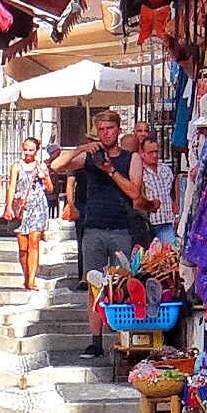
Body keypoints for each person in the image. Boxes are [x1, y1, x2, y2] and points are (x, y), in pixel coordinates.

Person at [51, 107, 141, 350]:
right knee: (94, 285)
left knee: (124, 285)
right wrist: (81, 148)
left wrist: (110, 171)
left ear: (118, 130)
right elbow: (56, 166)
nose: (105, 134)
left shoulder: (131, 158)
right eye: (101, 130)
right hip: (93, 228)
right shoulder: (90, 157)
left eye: (109, 129)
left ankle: (125, 338)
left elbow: (135, 192)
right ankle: (96, 341)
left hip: (121, 227)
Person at [6, 133, 53, 291]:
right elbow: (11, 186)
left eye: (30, 150)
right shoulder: (16, 166)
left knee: (34, 243)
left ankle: (32, 280)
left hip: (38, 206)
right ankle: (26, 276)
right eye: (25, 150)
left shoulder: (41, 167)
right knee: (23, 247)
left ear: (36, 151)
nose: (27, 153)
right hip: (22, 207)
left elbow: (50, 189)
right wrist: (8, 207)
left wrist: (44, 177)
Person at [135, 136, 177, 244]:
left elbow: (171, 193)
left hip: (166, 222)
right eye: (150, 152)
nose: (154, 155)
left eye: (156, 151)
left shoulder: (166, 170)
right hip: (148, 224)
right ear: (142, 153)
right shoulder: (139, 171)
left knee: (169, 255)